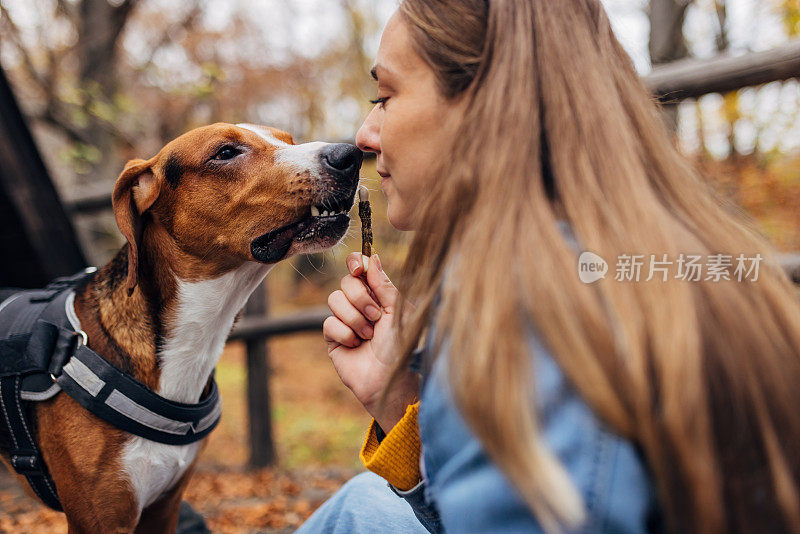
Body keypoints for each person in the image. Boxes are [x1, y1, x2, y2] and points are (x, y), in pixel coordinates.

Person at [298, 1, 800, 533]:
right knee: (361, 505)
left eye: (385, 97)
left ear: (485, 103)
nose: (365, 134)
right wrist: (403, 407)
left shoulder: (530, 308)